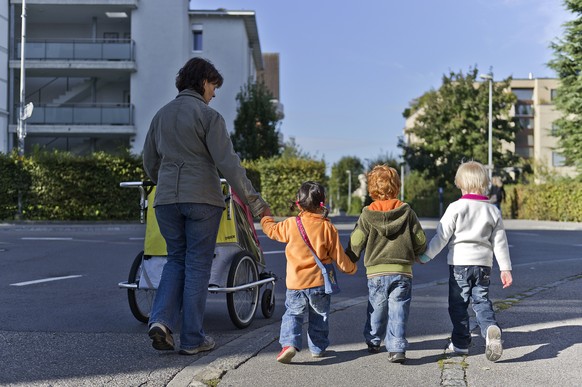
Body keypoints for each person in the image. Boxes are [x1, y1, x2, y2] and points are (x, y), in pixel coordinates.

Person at [142, 57, 269, 355]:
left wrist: (164, 180)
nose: (215, 93)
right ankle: (192, 339)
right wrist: (257, 204)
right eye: (213, 85)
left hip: (165, 202)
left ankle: (160, 320)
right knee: (198, 266)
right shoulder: (208, 117)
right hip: (202, 199)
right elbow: (230, 165)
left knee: (175, 260)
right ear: (202, 82)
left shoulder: (160, 115)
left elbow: (149, 161)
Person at [419, 161, 512, 362]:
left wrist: (427, 255)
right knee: (481, 300)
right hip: (484, 266)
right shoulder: (492, 210)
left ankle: (461, 343)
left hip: (460, 264)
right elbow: (500, 242)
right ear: (484, 184)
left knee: (458, 304)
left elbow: (442, 236)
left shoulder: (456, 207)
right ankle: (489, 328)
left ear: (461, 184)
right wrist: (505, 268)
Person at [260, 181, 357, 363]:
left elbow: (271, 231)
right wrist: (351, 268)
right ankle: (317, 348)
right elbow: (339, 257)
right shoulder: (328, 228)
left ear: (299, 203)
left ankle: (289, 344)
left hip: (296, 284)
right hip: (319, 284)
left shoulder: (291, 224)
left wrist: (266, 217)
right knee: (320, 316)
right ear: (323, 202)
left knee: (292, 314)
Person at [345, 165, 427, 364]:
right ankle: (397, 347)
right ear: (396, 186)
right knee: (399, 308)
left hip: (376, 272)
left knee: (377, 306)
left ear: (372, 189)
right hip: (401, 271)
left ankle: (373, 340)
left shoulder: (367, 214)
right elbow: (420, 238)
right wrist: (419, 252)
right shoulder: (407, 212)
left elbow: (357, 240)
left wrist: (350, 258)